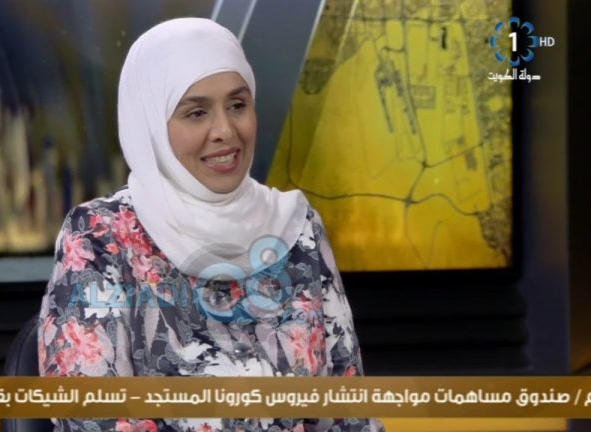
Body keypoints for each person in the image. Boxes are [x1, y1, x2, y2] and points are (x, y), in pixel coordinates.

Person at [38, 17, 384, 432]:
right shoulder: (100, 235)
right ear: (151, 124)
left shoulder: (298, 227)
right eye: (197, 112)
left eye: (237, 105)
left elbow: (349, 410)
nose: (225, 131)